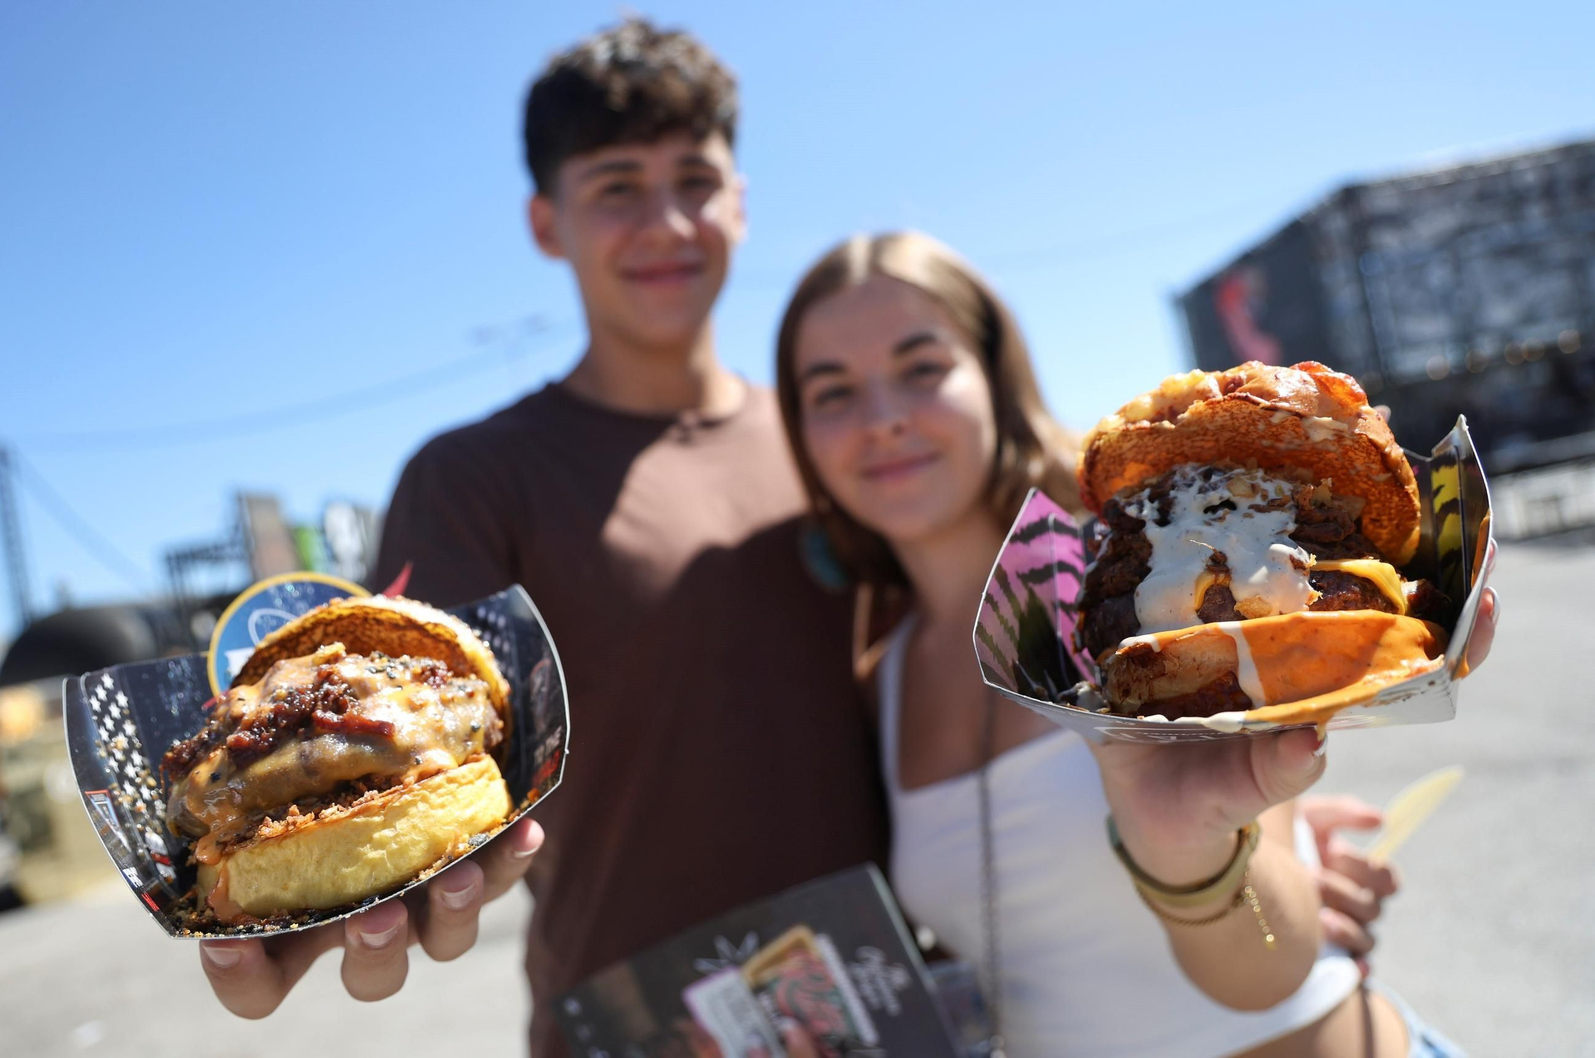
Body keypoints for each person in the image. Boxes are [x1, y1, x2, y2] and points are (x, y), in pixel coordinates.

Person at [195, 20, 888, 1056]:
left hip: (885, 993)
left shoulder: (840, 443)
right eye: (615, 186)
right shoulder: (474, 477)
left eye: (694, 179)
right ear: (544, 222)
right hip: (632, 1020)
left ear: (740, 203)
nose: (664, 220)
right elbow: (404, 766)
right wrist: (344, 902)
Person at [774, 230, 1495, 1056]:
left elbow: (1273, 969)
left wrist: (1198, 853)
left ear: (994, 379)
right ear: (799, 436)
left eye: (920, 367)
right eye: (831, 391)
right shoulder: (877, 685)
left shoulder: (1183, 578)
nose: (884, 417)